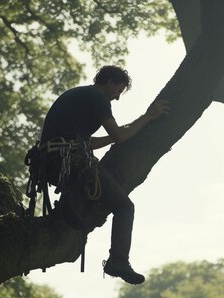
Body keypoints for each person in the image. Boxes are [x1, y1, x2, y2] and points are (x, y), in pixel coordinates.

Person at [39, 65, 169, 285]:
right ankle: (118, 260)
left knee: (93, 192)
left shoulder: (81, 96)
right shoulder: (98, 98)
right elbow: (118, 136)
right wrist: (148, 117)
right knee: (124, 206)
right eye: (119, 90)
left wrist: (119, 133)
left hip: (54, 162)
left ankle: (72, 202)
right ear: (109, 82)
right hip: (68, 161)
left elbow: (91, 143)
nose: (117, 97)